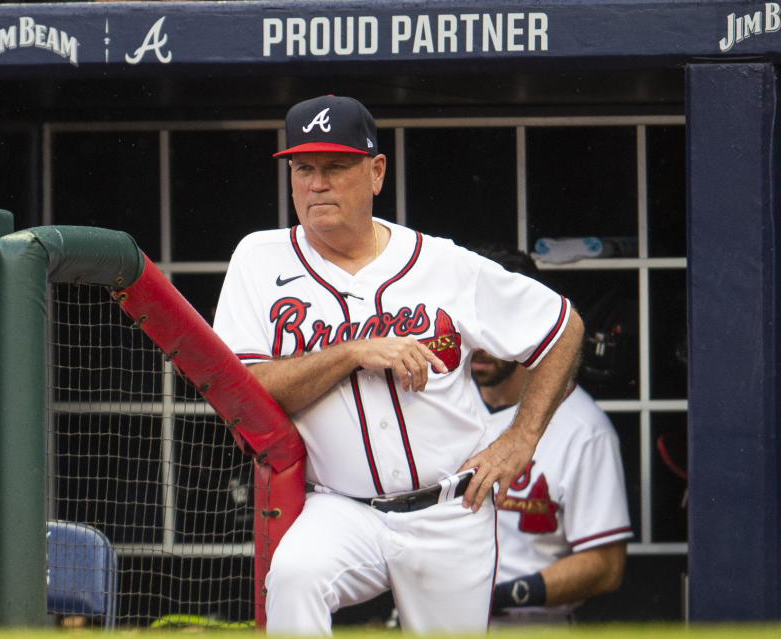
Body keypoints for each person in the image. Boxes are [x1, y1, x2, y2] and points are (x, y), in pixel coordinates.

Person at [211, 95, 584, 635]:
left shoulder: (443, 264)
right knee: (295, 575)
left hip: (449, 511)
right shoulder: (259, 259)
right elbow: (243, 391)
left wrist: (521, 439)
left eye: (335, 167)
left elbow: (562, 325)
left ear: (376, 171)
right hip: (342, 508)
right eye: (303, 168)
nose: (317, 183)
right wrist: (352, 352)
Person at [470, 247, 633, 627]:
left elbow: (605, 566)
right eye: (472, 321)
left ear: (530, 327)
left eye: (494, 324)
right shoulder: (440, 404)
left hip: (529, 624)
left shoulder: (583, 427)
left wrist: (496, 598)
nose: (479, 339)